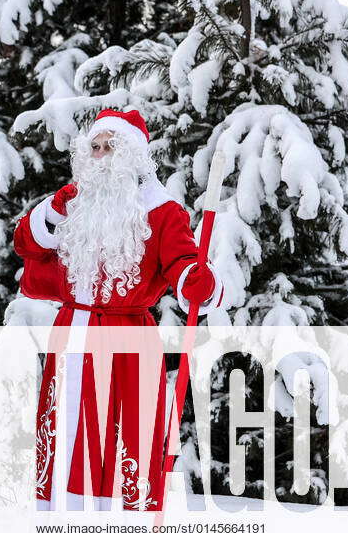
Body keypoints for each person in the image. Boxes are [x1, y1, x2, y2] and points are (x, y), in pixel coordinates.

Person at [13, 108, 224, 511]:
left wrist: (196, 281)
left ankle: (123, 523)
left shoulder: (163, 211)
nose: (103, 154)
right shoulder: (75, 202)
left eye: (112, 146)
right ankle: (58, 516)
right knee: (65, 427)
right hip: (71, 331)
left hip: (127, 338)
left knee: (124, 429)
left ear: (132, 154)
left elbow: (183, 263)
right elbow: (26, 243)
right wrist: (55, 207)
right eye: (95, 146)